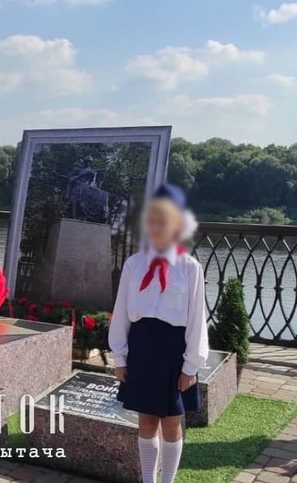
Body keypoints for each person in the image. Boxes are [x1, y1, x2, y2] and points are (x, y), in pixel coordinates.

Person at [108, 183, 208, 483]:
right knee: (147, 420)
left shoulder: (189, 268)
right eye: (151, 221)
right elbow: (121, 312)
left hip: (174, 350)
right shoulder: (134, 264)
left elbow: (196, 318)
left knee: (171, 422)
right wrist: (119, 357)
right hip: (142, 348)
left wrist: (191, 366)